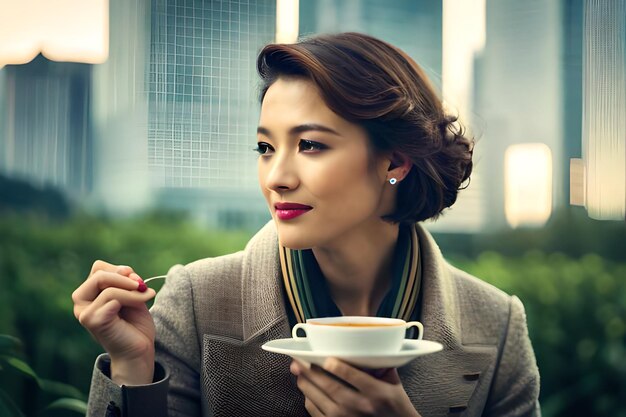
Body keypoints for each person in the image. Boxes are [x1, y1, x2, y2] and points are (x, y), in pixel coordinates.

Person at [72, 32, 541, 417]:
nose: (277, 178)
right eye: (266, 148)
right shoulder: (195, 302)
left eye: (311, 145)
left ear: (394, 160)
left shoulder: (497, 327)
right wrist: (132, 367)